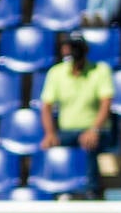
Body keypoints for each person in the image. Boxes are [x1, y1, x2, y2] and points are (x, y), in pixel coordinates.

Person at [40, 31, 116, 197]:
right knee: (50, 145)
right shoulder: (56, 72)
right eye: (70, 47)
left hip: (97, 130)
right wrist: (49, 133)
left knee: (88, 142)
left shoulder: (100, 70)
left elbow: (106, 103)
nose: (73, 52)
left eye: (76, 47)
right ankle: (57, 191)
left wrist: (94, 129)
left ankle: (91, 191)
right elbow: (46, 106)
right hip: (66, 132)